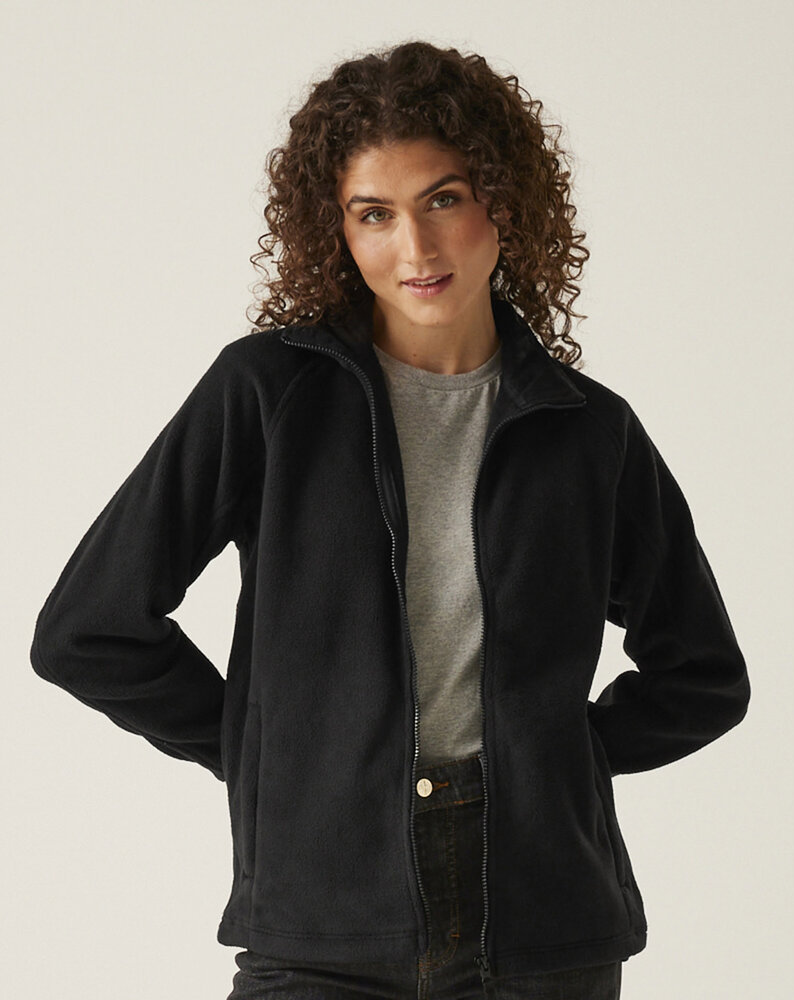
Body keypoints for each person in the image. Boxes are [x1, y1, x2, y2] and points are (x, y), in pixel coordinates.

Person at [30, 40, 750, 1000]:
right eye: (373, 213)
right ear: (336, 229)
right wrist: (279, 755)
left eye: (443, 199)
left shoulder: (589, 431)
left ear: (503, 203)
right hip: (323, 923)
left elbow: (701, 675)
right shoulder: (268, 394)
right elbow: (87, 630)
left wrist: (548, 759)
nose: (414, 248)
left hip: (541, 925)